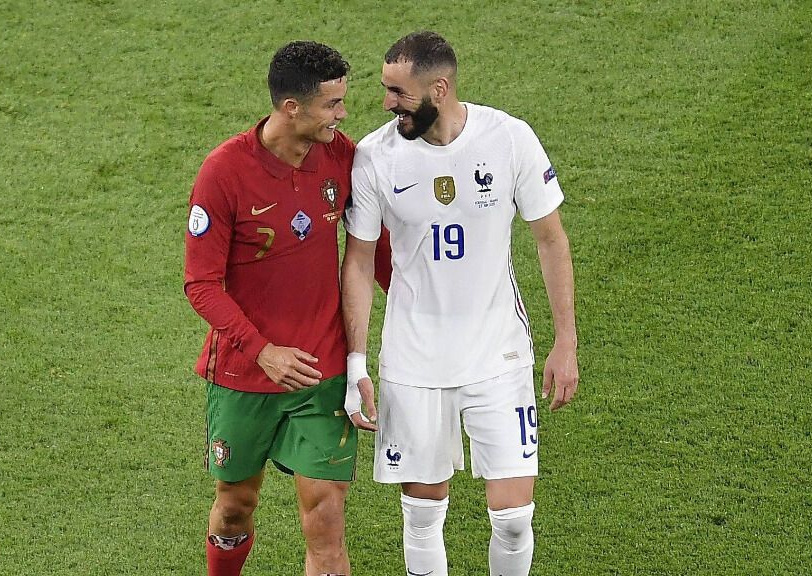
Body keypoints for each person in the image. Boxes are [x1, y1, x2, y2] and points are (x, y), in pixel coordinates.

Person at [341, 31, 580, 576]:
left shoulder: (509, 139)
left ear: (439, 90)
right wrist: (357, 363)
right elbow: (357, 261)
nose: (386, 104)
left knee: (515, 518)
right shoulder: (376, 156)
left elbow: (550, 238)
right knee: (422, 515)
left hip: (498, 355)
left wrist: (565, 339)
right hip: (414, 361)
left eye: (398, 92)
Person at [184, 40, 360, 576]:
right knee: (236, 505)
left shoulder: (340, 156)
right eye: (331, 104)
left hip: (319, 368)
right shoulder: (224, 172)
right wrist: (262, 352)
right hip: (243, 373)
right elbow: (201, 284)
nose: (342, 114)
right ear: (291, 108)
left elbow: (373, 250)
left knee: (326, 519)